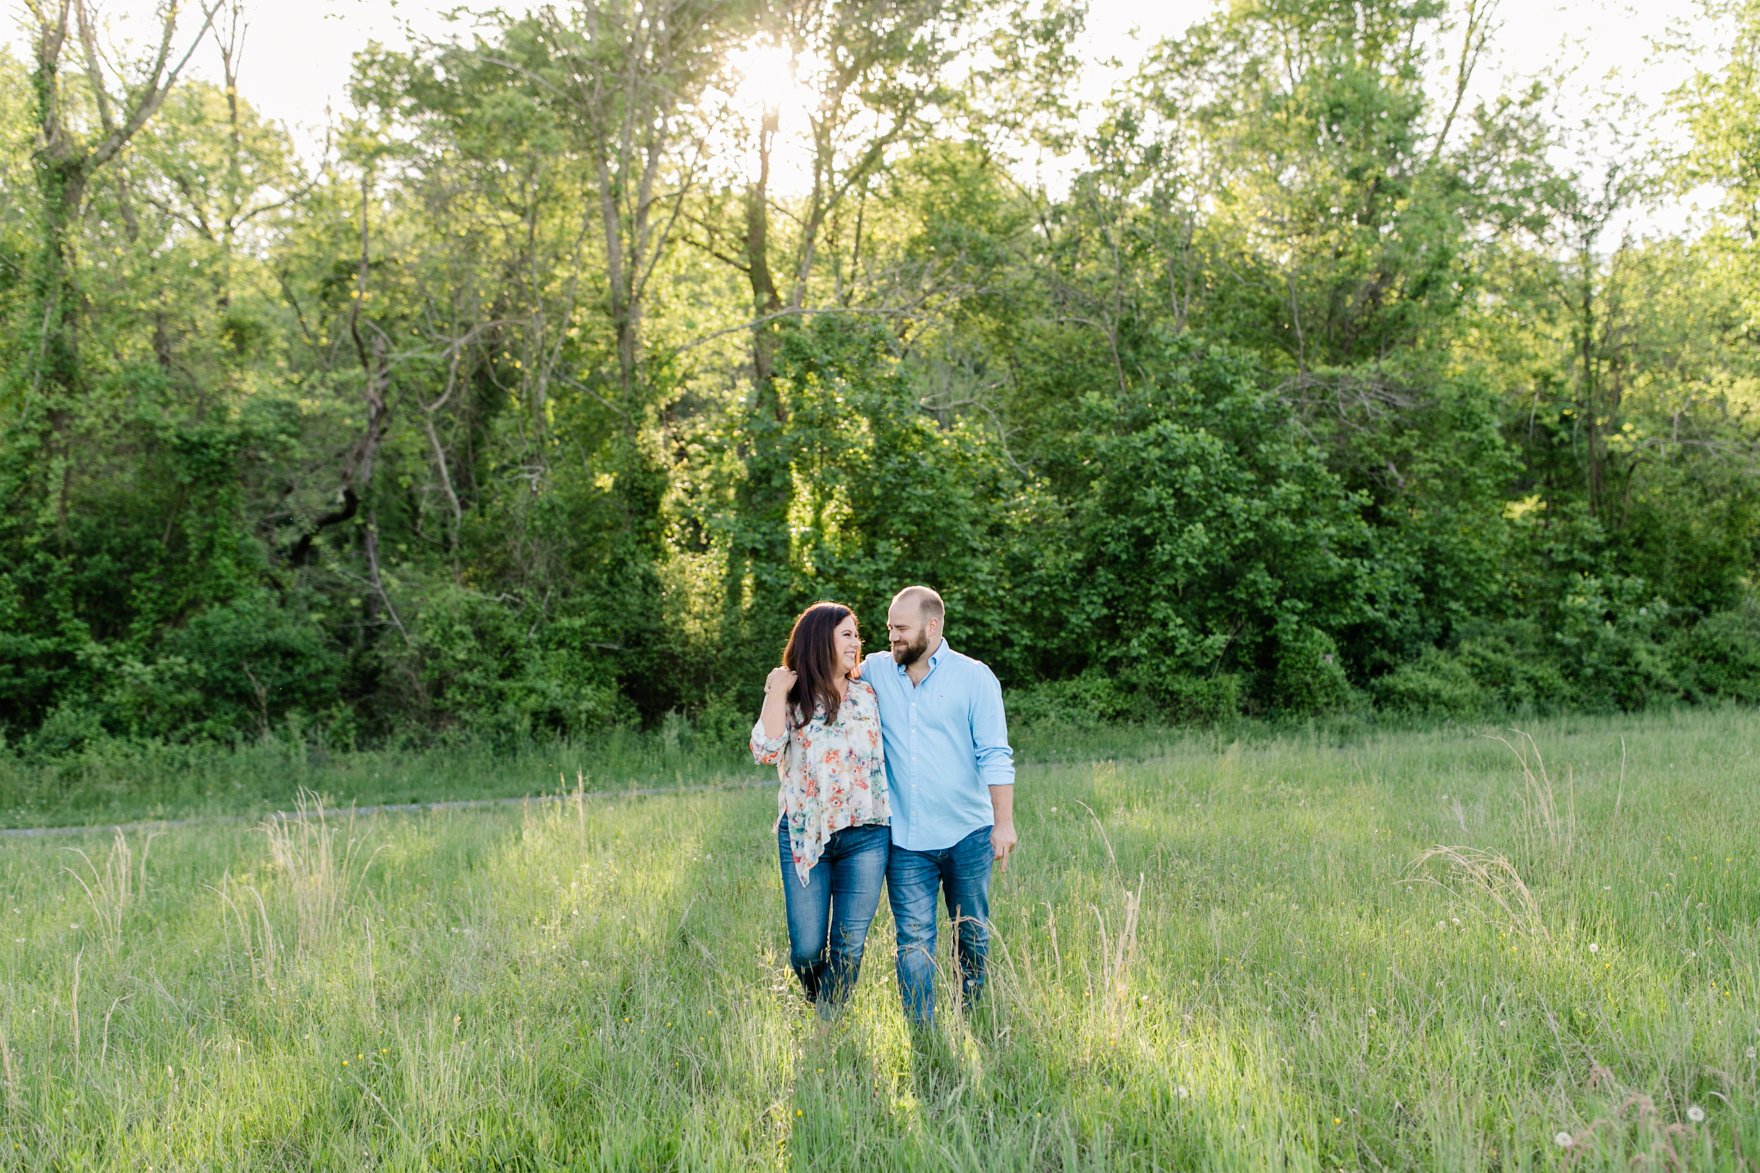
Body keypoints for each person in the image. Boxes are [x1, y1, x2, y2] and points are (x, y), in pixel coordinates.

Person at [861, 585, 1015, 1027]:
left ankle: (969, 1018)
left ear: (932, 627)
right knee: (913, 943)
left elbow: (995, 754)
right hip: (906, 841)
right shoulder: (874, 670)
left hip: (968, 835)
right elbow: (824, 668)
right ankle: (923, 1032)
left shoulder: (974, 677)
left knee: (971, 934)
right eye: (889, 627)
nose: (891, 637)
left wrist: (1003, 824)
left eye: (901, 629)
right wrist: (783, 680)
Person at [751, 601, 891, 1013]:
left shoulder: (869, 693)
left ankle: (826, 1028)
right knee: (808, 950)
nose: (856, 642)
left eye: (857, 634)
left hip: (867, 834)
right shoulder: (793, 697)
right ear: (820, 639)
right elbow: (764, 751)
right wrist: (776, 689)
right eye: (846, 634)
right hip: (804, 835)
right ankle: (820, 1003)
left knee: (848, 945)